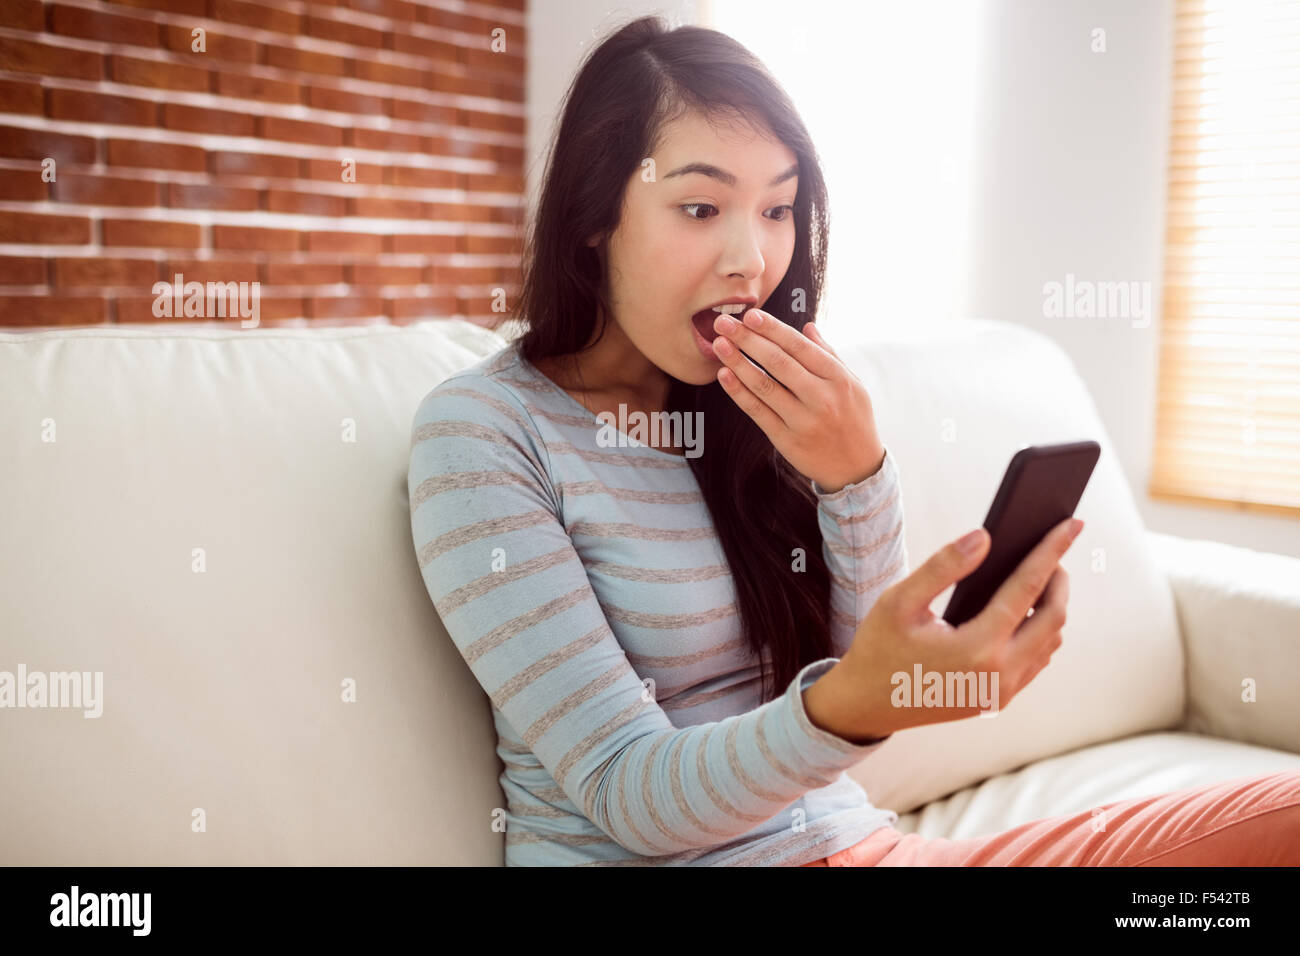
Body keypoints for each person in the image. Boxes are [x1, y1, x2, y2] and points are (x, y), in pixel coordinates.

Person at [407, 15, 1300, 866]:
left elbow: (856, 705)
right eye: (699, 208)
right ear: (594, 217)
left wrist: (857, 477)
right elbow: (626, 792)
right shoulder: (484, 436)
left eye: (778, 209)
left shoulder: (757, 411)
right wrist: (852, 704)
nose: (751, 260)